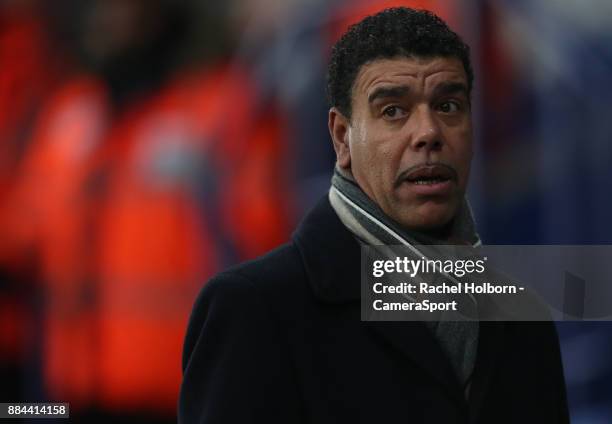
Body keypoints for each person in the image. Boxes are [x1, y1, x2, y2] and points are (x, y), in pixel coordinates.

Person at [179, 7, 569, 423]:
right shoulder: (253, 309)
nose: (429, 133)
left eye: (449, 105)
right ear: (342, 138)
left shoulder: (521, 312)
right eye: (393, 111)